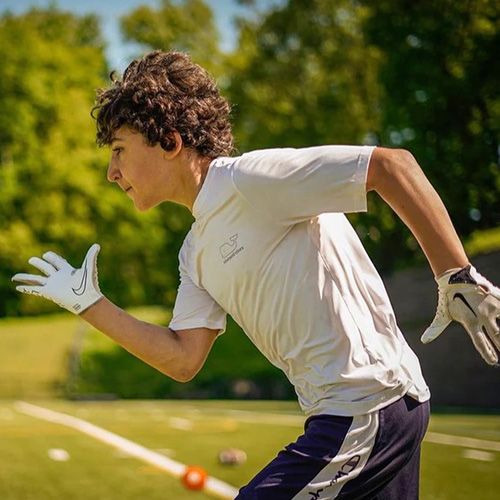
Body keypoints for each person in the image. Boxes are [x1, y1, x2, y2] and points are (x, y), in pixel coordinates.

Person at [12, 51, 500, 500]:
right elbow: (183, 360)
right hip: (367, 411)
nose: (111, 172)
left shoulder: (252, 178)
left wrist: (456, 275)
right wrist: (89, 304)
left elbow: (392, 166)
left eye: (118, 149)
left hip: (367, 407)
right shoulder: (195, 250)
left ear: (169, 140)